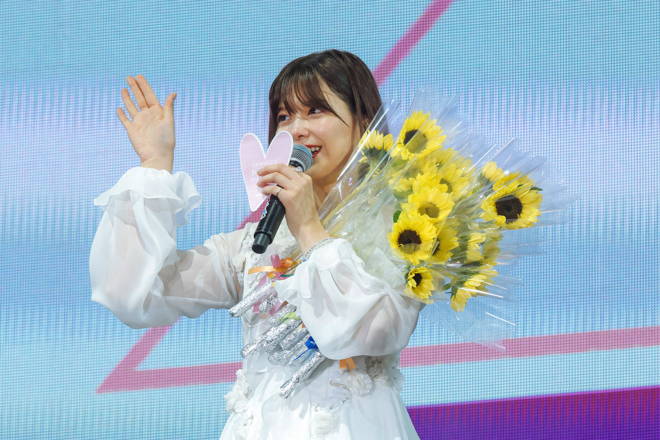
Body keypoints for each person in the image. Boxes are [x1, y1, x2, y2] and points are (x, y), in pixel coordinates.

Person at [90, 50, 423, 440]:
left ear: (363, 121)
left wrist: (308, 227)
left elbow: (374, 332)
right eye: (284, 116)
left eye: (315, 111)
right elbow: (135, 294)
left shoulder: (405, 230)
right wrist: (154, 164)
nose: (296, 130)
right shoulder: (256, 244)